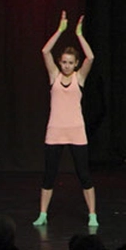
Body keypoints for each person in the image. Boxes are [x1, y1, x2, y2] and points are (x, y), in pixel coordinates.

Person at [34, 12, 97, 227]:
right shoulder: (55, 76)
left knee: (84, 175)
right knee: (49, 175)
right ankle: (43, 214)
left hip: (76, 131)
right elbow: (45, 50)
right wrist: (60, 30)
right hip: (55, 131)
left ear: (76, 64)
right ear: (60, 63)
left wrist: (79, 34)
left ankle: (92, 215)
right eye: (64, 62)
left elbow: (91, 57)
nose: (67, 66)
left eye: (71, 62)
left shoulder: (80, 78)